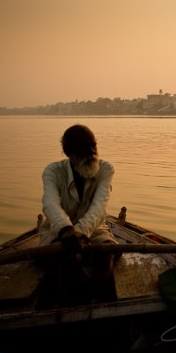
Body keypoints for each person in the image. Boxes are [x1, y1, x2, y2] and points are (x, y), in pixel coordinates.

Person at [39, 124, 117, 304]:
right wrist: (66, 230)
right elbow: (50, 204)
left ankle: (93, 303)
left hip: (94, 228)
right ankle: (63, 306)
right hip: (56, 229)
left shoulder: (106, 169)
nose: (92, 152)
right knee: (56, 258)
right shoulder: (52, 171)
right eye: (84, 147)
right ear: (68, 152)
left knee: (107, 253)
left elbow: (99, 207)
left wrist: (80, 233)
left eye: (94, 145)